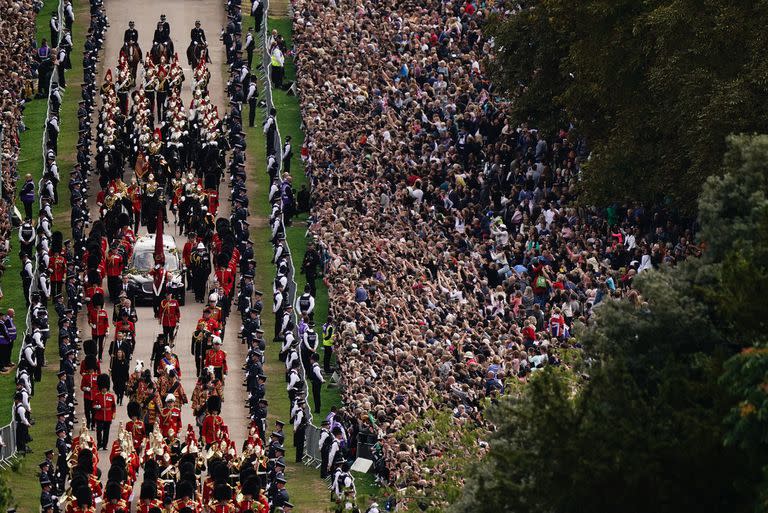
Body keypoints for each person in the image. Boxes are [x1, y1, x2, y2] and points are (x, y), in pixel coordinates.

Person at [92, 373, 116, 450]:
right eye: (103, 387)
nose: (104, 389)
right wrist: (97, 407)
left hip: (108, 416)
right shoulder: (97, 395)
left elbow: (113, 406)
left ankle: (105, 445)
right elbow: (93, 405)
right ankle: (99, 443)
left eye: (105, 388)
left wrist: (113, 414)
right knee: (99, 431)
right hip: (99, 415)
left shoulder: (111, 396)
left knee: (106, 432)